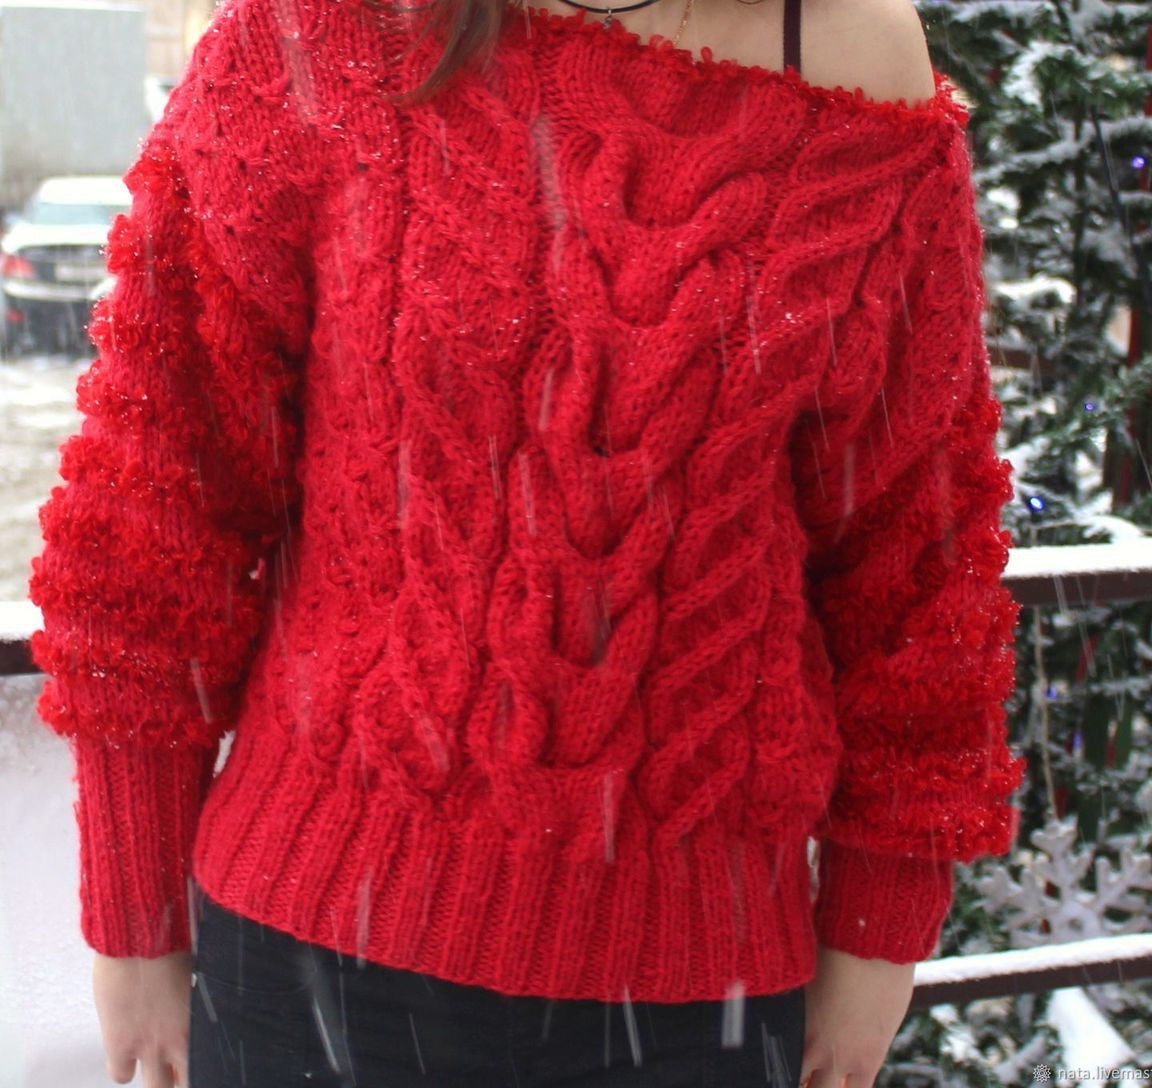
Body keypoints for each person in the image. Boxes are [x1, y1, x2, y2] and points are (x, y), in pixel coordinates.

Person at [26, 0, 1029, 1082]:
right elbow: (161, 487)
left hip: (703, 997)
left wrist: (880, 929)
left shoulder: (849, 55)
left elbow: (917, 552)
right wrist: (134, 909)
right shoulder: (319, 31)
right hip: (310, 964)